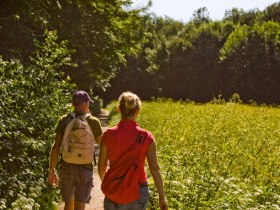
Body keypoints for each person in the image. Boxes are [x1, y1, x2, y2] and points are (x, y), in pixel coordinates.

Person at [98, 91, 168, 210]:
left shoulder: (108, 135)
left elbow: (101, 167)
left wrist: (111, 186)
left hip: (113, 190)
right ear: (137, 111)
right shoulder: (146, 137)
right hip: (138, 190)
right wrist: (162, 197)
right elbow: (155, 168)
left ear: (119, 109)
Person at [48, 90, 103, 210]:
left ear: (73, 104)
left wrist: (51, 170)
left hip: (67, 166)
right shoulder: (93, 121)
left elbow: (56, 147)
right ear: (86, 103)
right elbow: (102, 143)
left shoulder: (64, 120)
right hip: (85, 167)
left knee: (68, 203)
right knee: (80, 203)